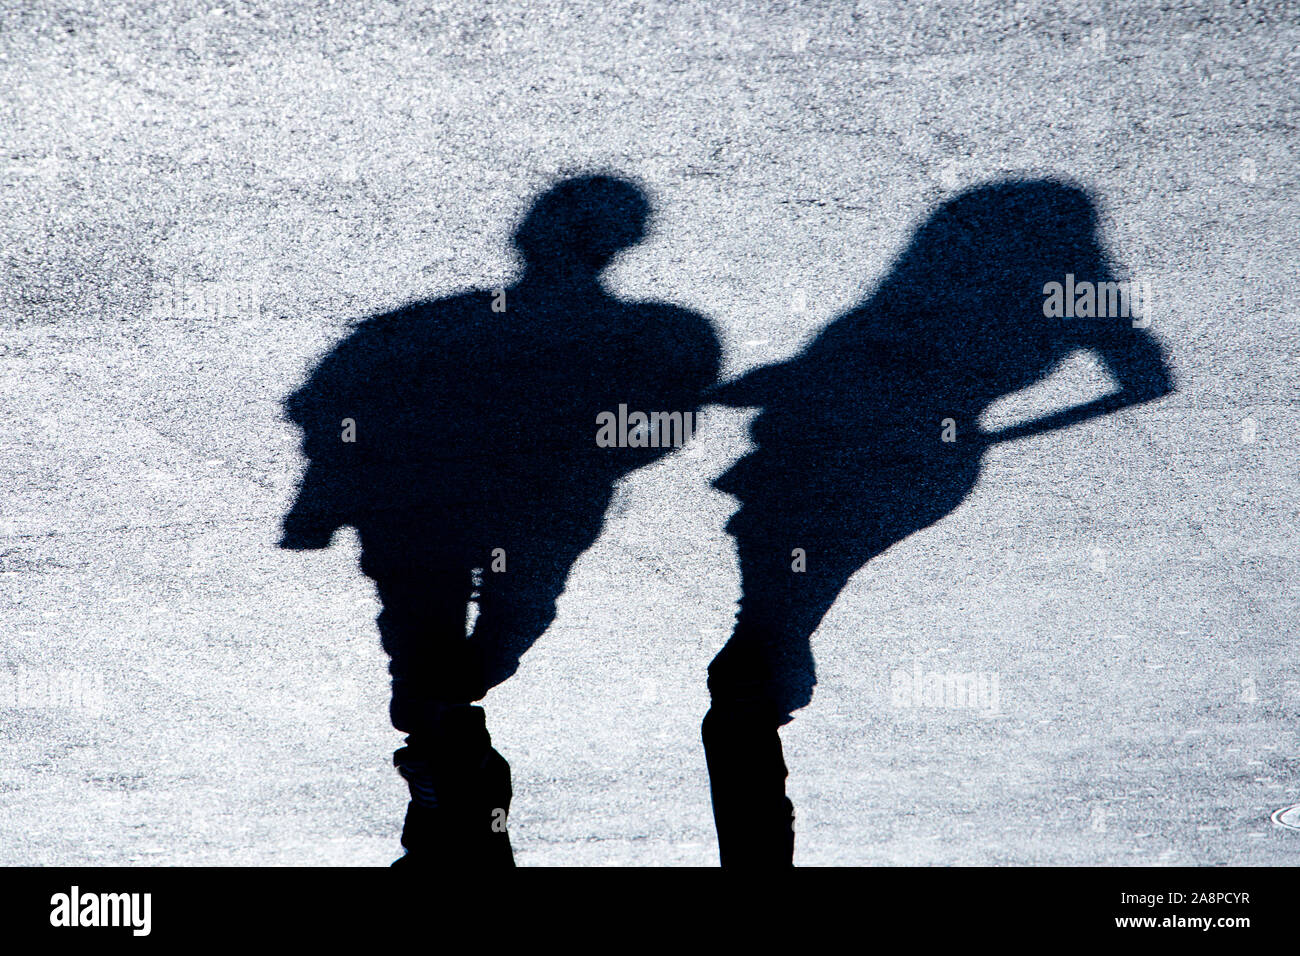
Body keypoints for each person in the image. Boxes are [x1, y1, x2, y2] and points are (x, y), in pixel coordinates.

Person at [703, 179, 1175, 867]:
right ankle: (758, 809)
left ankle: (758, 814)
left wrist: (977, 433)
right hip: (880, 465)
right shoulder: (1060, 296)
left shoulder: (947, 286)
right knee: (764, 641)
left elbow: (1146, 380)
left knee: (760, 647)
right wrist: (980, 433)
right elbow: (1146, 378)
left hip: (842, 466)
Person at [280, 174, 721, 866]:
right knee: (475, 645)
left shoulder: (433, 324)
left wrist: (319, 503)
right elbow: (653, 430)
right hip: (508, 515)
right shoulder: (655, 337)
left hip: (425, 511)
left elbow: (336, 407)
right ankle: (451, 777)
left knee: (436, 651)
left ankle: (451, 776)